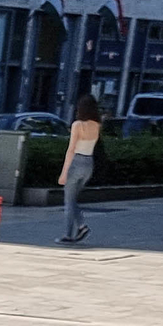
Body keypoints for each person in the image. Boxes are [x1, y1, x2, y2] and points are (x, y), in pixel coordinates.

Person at [57, 93, 100, 242]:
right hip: (89, 163)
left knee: (68, 200)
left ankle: (68, 234)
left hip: (76, 162)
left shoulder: (77, 125)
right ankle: (81, 227)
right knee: (72, 199)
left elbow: (71, 149)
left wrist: (64, 173)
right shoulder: (97, 126)